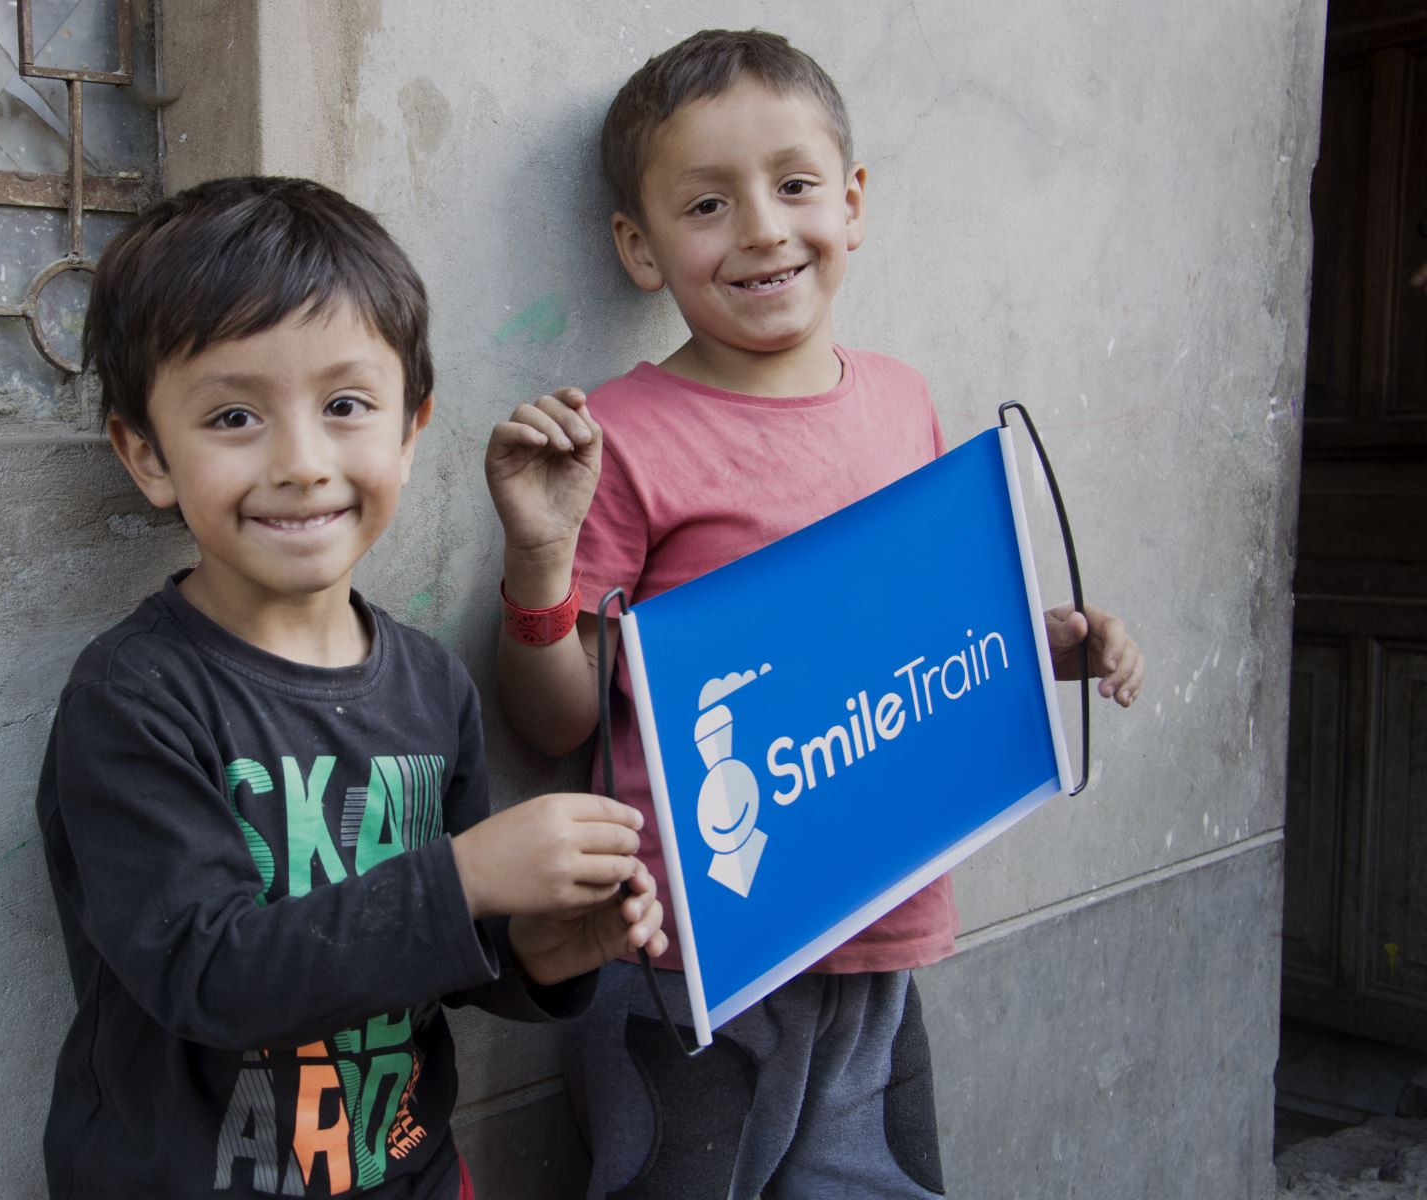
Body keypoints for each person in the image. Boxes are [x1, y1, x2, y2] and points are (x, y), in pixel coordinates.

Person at [484, 29, 1147, 1200]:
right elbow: (554, 722)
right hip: (691, 960)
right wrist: (540, 571)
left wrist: (1045, 645)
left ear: (853, 203)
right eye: (707, 204)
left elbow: (925, 639)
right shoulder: (624, 437)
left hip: (882, 933)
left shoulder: (902, 403)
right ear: (638, 248)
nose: (762, 228)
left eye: (795, 186)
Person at [35, 176, 667, 1200]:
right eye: (235, 415)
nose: (300, 462)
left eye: (343, 406)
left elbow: (445, 963)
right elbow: (207, 972)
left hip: (412, 1173)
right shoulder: (135, 696)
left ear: (411, 430)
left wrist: (544, 948)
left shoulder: (428, 686)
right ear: (147, 455)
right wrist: (465, 878)